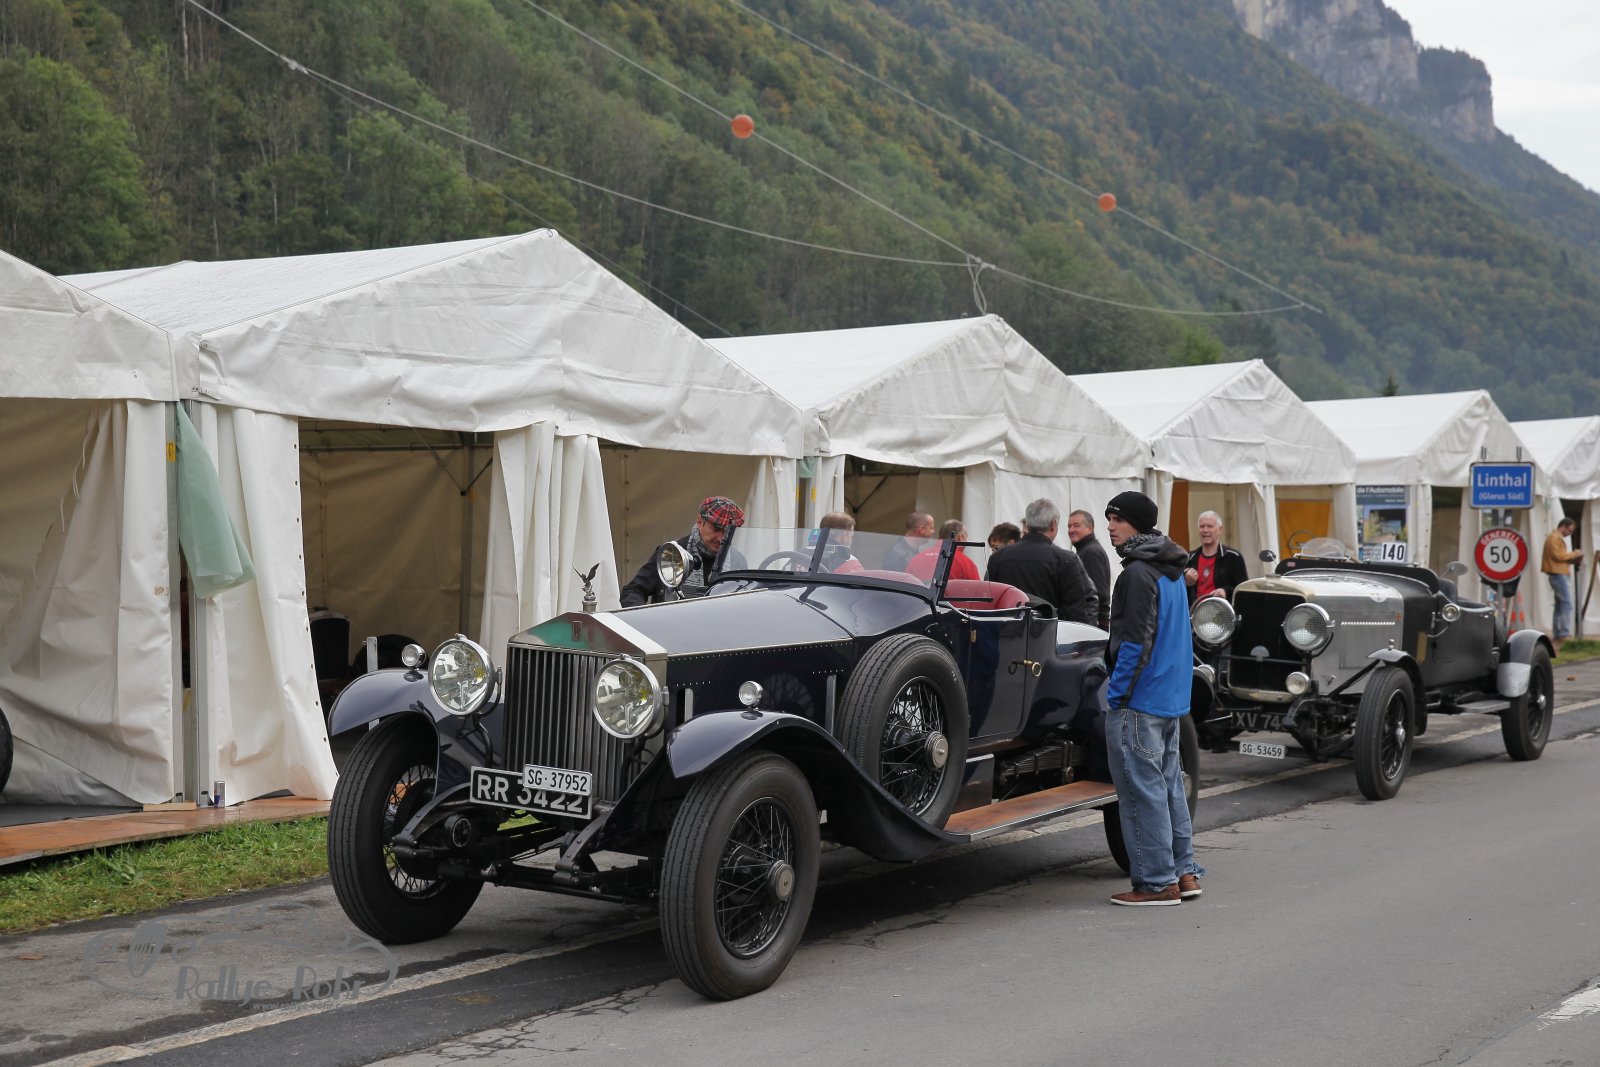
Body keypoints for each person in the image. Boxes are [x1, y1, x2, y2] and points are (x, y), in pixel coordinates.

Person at [1102, 490, 1205, 907]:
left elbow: (1134, 642)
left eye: (1118, 520)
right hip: (1170, 696)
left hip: (1141, 698)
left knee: (1141, 793)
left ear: (1138, 525)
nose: (1111, 526)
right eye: (1109, 519)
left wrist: (1116, 695)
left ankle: (1156, 883)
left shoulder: (1137, 573)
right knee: (1169, 788)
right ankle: (1184, 873)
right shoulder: (1172, 568)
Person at [984, 499, 1099, 625]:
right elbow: (1076, 613)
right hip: (1051, 634)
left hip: (1007, 632)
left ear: (1028, 524)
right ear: (1053, 524)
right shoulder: (1065, 560)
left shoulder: (998, 557)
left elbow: (987, 602)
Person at [620, 496, 746, 606]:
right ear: (700, 522)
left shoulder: (738, 561)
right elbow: (632, 591)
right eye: (716, 529)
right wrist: (649, 620)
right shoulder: (671, 553)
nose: (721, 538)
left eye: (728, 531)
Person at [1183, 510, 1249, 604]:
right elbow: (1178, 592)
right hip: (1195, 611)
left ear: (1220, 530)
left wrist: (1225, 592)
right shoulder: (1189, 558)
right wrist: (1185, 582)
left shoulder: (1233, 557)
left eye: (1210, 526)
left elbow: (1244, 590)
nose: (1205, 530)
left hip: (1222, 611)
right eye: (1202, 526)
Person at [1541, 517, 1583, 652]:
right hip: (1558, 574)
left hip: (1558, 573)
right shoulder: (1554, 538)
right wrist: (1575, 554)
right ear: (1563, 526)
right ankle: (1563, 633)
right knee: (1566, 604)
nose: (1569, 533)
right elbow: (1558, 556)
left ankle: (1558, 633)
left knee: (1560, 605)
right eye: (1569, 530)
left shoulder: (1554, 538)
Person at [1067, 509, 1111, 630]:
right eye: (1069, 526)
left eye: (1076, 525)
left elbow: (1098, 593)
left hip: (1092, 625)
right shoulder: (1086, 550)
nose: (1071, 530)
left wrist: (1092, 627)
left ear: (1090, 528)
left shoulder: (1091, 553)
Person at [906, 519, 980, 582]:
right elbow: (976, 592)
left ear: (940, 537)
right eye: (966, 538)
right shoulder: (967, 564)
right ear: (961, 537)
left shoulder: (916, 559)